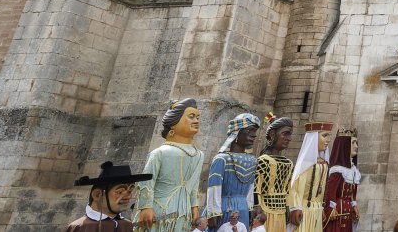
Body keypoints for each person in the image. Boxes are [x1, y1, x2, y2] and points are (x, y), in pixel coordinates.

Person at [136, 99, 205, 232]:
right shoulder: (160, 152)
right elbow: (146, 182)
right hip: (158, 211)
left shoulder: (199, 155)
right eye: (191, 117)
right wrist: (145, 207)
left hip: (184, 212)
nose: (196, 121)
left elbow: (194, 185)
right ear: (174, 123)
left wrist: (194, 206)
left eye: (197, 117)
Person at [206, 113, 260, 228]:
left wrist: (250, 208)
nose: (254, 135)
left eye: (255, 131)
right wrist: (213, 213)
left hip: (243, 209)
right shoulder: (221, 159)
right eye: (250, 130)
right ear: (237, 131)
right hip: (224, 208)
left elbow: (251, 187)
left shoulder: (253, 161)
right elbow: (214, 187)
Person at [67, 160, 153, 231]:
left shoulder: (127, 225)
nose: (128, 197)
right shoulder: (80, 227)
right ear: (97, 195)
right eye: (120, 192)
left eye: (130, 191)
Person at [289, 121, 333, 231]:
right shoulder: (305, 163)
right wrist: (295, 207)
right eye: (324, 135)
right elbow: (295, 188)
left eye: (329, 136)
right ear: (313, 138)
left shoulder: (324, 163)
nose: (328, 140)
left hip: (317, 211)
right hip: (304, 210)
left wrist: (320, 207)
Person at [256, 115, 296, 232]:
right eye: (285, 134)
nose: (289, 138)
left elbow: (287, 189)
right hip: (264, 213)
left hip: (281, 213)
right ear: (272, 134)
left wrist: (287, 206)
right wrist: (257, 208)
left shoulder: (289, 163)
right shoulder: (263, 161)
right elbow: (256, 189)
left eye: (290, 134)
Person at [324, 133, 360, 232]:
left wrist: (354, 205)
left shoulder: (354, 170)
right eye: (353, 143)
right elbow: (330, 192)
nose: (356, 146)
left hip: (348, 211)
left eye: (356, 143)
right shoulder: (337, 170)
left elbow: (352, 194)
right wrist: (331, 209)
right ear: (344, 146)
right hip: (337, 210)